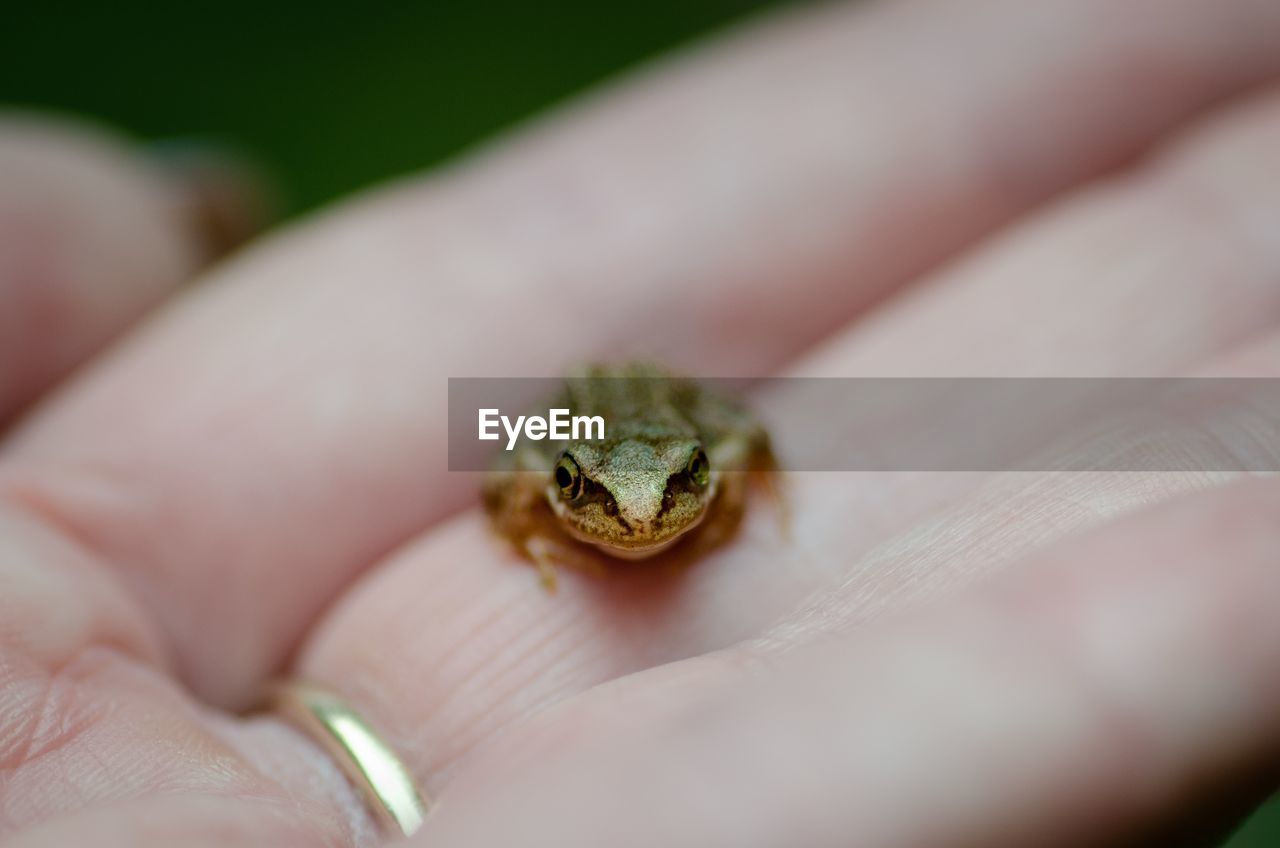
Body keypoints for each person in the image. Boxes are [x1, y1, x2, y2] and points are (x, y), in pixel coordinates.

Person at [3, 0, 1280, 845]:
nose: (636, 523)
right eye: (597, 505)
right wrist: (545, 526)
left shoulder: (689, 464)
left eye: (655, 500)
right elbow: (514, 485)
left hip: (652, 417)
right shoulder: (558, 479)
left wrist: (739, 479)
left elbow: (727, 439)